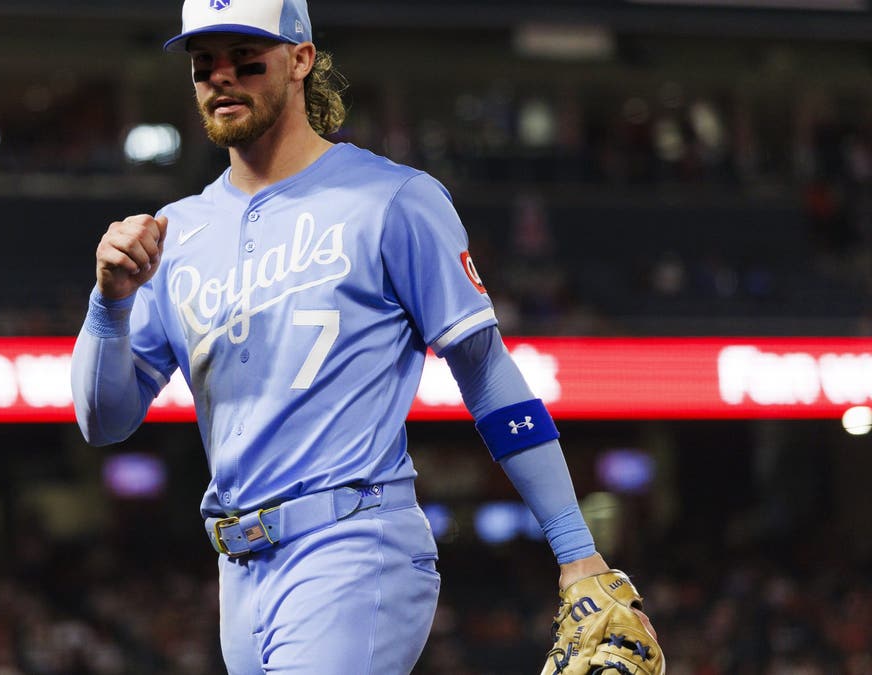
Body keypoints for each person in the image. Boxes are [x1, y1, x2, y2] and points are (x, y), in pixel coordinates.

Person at [70, 1, 657, 672]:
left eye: (245, 58)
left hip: (353, 542)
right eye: (205, 63)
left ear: (301, 59)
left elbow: (486, 372)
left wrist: (574, 546)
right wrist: (109, 305)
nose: (221, 77)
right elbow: (103, 420)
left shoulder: (393, 198)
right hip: (239, 569)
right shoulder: (176, 232)